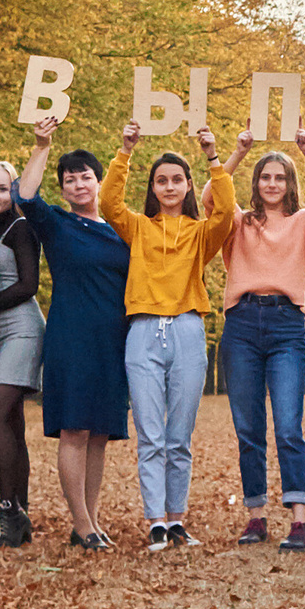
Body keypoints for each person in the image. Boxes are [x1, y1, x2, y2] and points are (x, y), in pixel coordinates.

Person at [104, 124, 236, 551]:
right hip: (143, 331)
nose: (169, 186)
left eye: (177, 179)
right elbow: (108, 203)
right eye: (161, 180)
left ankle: (177, 519)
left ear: (188, 185)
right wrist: (125, 151)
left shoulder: (201, 234)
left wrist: (213, 157)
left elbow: (227, 214)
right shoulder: (139, 227)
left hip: (187, 330)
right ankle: (156, 521)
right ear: (154, 188)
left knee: (179, 436)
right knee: (150, 434)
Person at [214, 125, 305, 551]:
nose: (272, 184)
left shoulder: (303, 222)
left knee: (288, 425)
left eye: (280, 177)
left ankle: (299, 519)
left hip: (286, 325)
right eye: (265, 177)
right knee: (248, 426)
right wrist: (234, 153)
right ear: (256, 184)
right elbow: (212, 199)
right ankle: (256, 516)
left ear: (289, 184)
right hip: (242, 324)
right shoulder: (240, 224)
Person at [17, 118, 132, 550]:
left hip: (113, 340)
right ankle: (81, 524)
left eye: (86, 176)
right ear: (63, 189)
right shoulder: (57, 225)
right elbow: (24, 195)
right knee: (75, 430)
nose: (79, 183)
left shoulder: (121, 228)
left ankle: (91, 521)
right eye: (70, 179)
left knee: (101, 431)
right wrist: (42, 146)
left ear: (99, 182)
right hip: (72, 338)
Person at [0, 160, 44, 546]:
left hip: (21, 329)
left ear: (13, 192)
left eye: (2, 189)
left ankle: (8, 512)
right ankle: (21, 518)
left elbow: (28, 285)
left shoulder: (20, 228)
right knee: (12, 425)